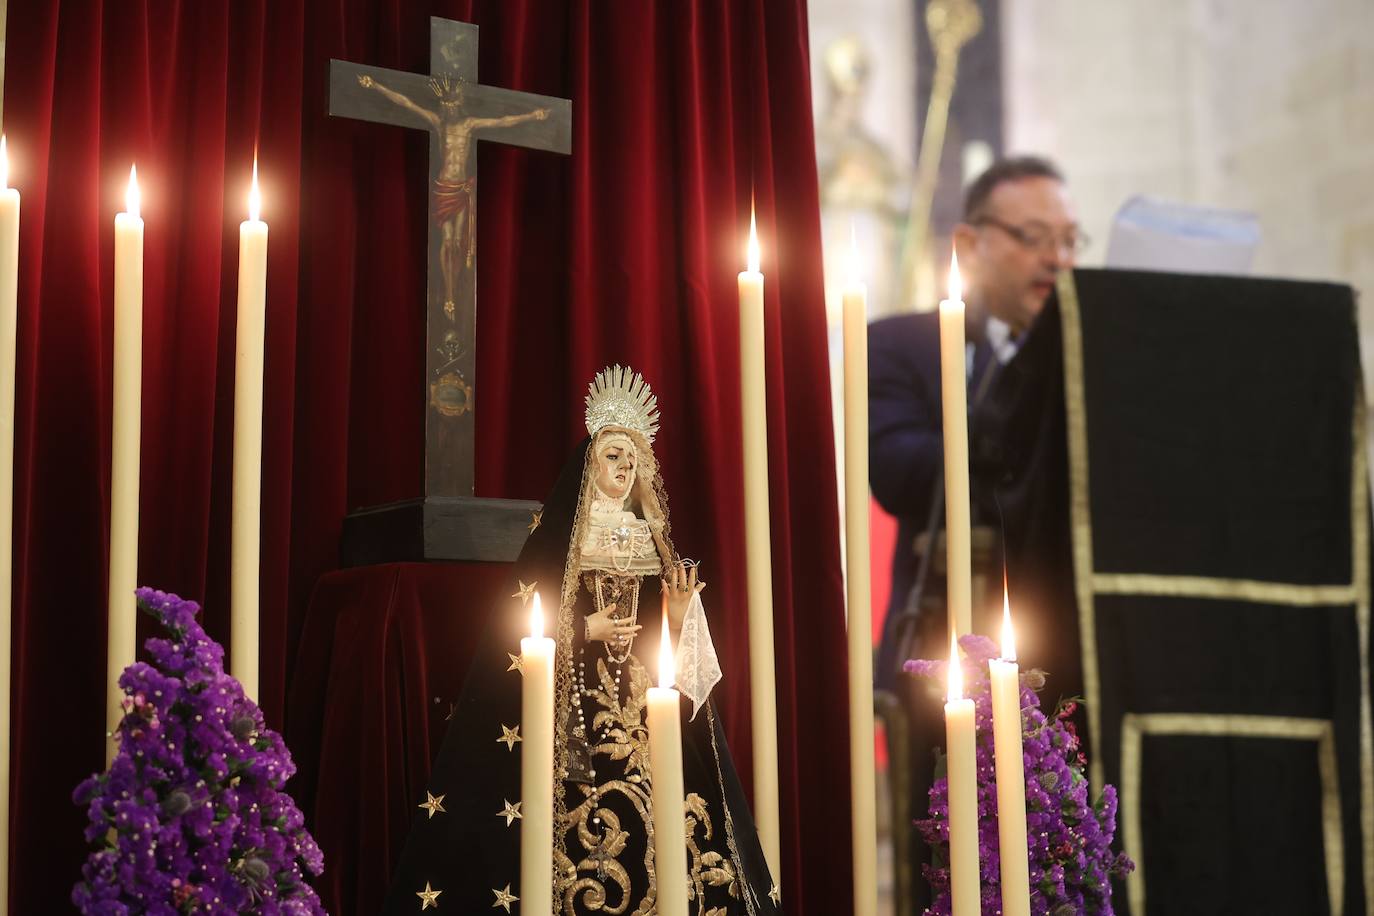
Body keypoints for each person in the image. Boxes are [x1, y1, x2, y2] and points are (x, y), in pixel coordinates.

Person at [382, 366, 779, 915]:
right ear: (591, 463)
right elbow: (523, 626)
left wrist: (678, 614)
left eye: (632, 459)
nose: (624, 468)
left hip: (646, 712)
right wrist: (584, 629)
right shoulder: (562, 541)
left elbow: (669, 646)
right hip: (574, 710)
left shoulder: (649, 539)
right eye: (613, 456)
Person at [868, 154, 1083, 671]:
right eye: (1033, 237)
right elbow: (897, 471)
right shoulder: (902, 344)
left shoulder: (1088, 358)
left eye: (1070, 241)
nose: (1057, 259)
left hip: (1071, 638)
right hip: (948, 641)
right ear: (969, 244)